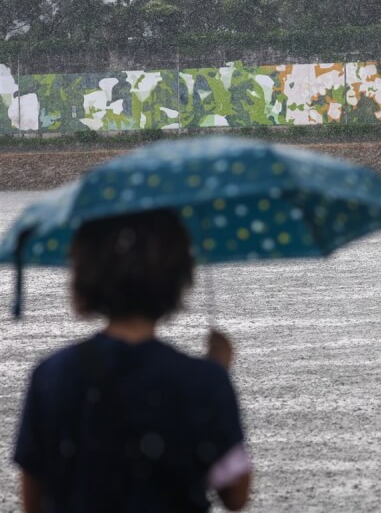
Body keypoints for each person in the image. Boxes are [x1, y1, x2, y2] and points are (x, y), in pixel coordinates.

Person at [14, 210, 251, 512]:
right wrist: (218, 371)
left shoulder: (50, 375)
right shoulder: (203, 381)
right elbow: (235, 495)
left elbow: (32, 502)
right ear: (178, 280)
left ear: (85, 278)